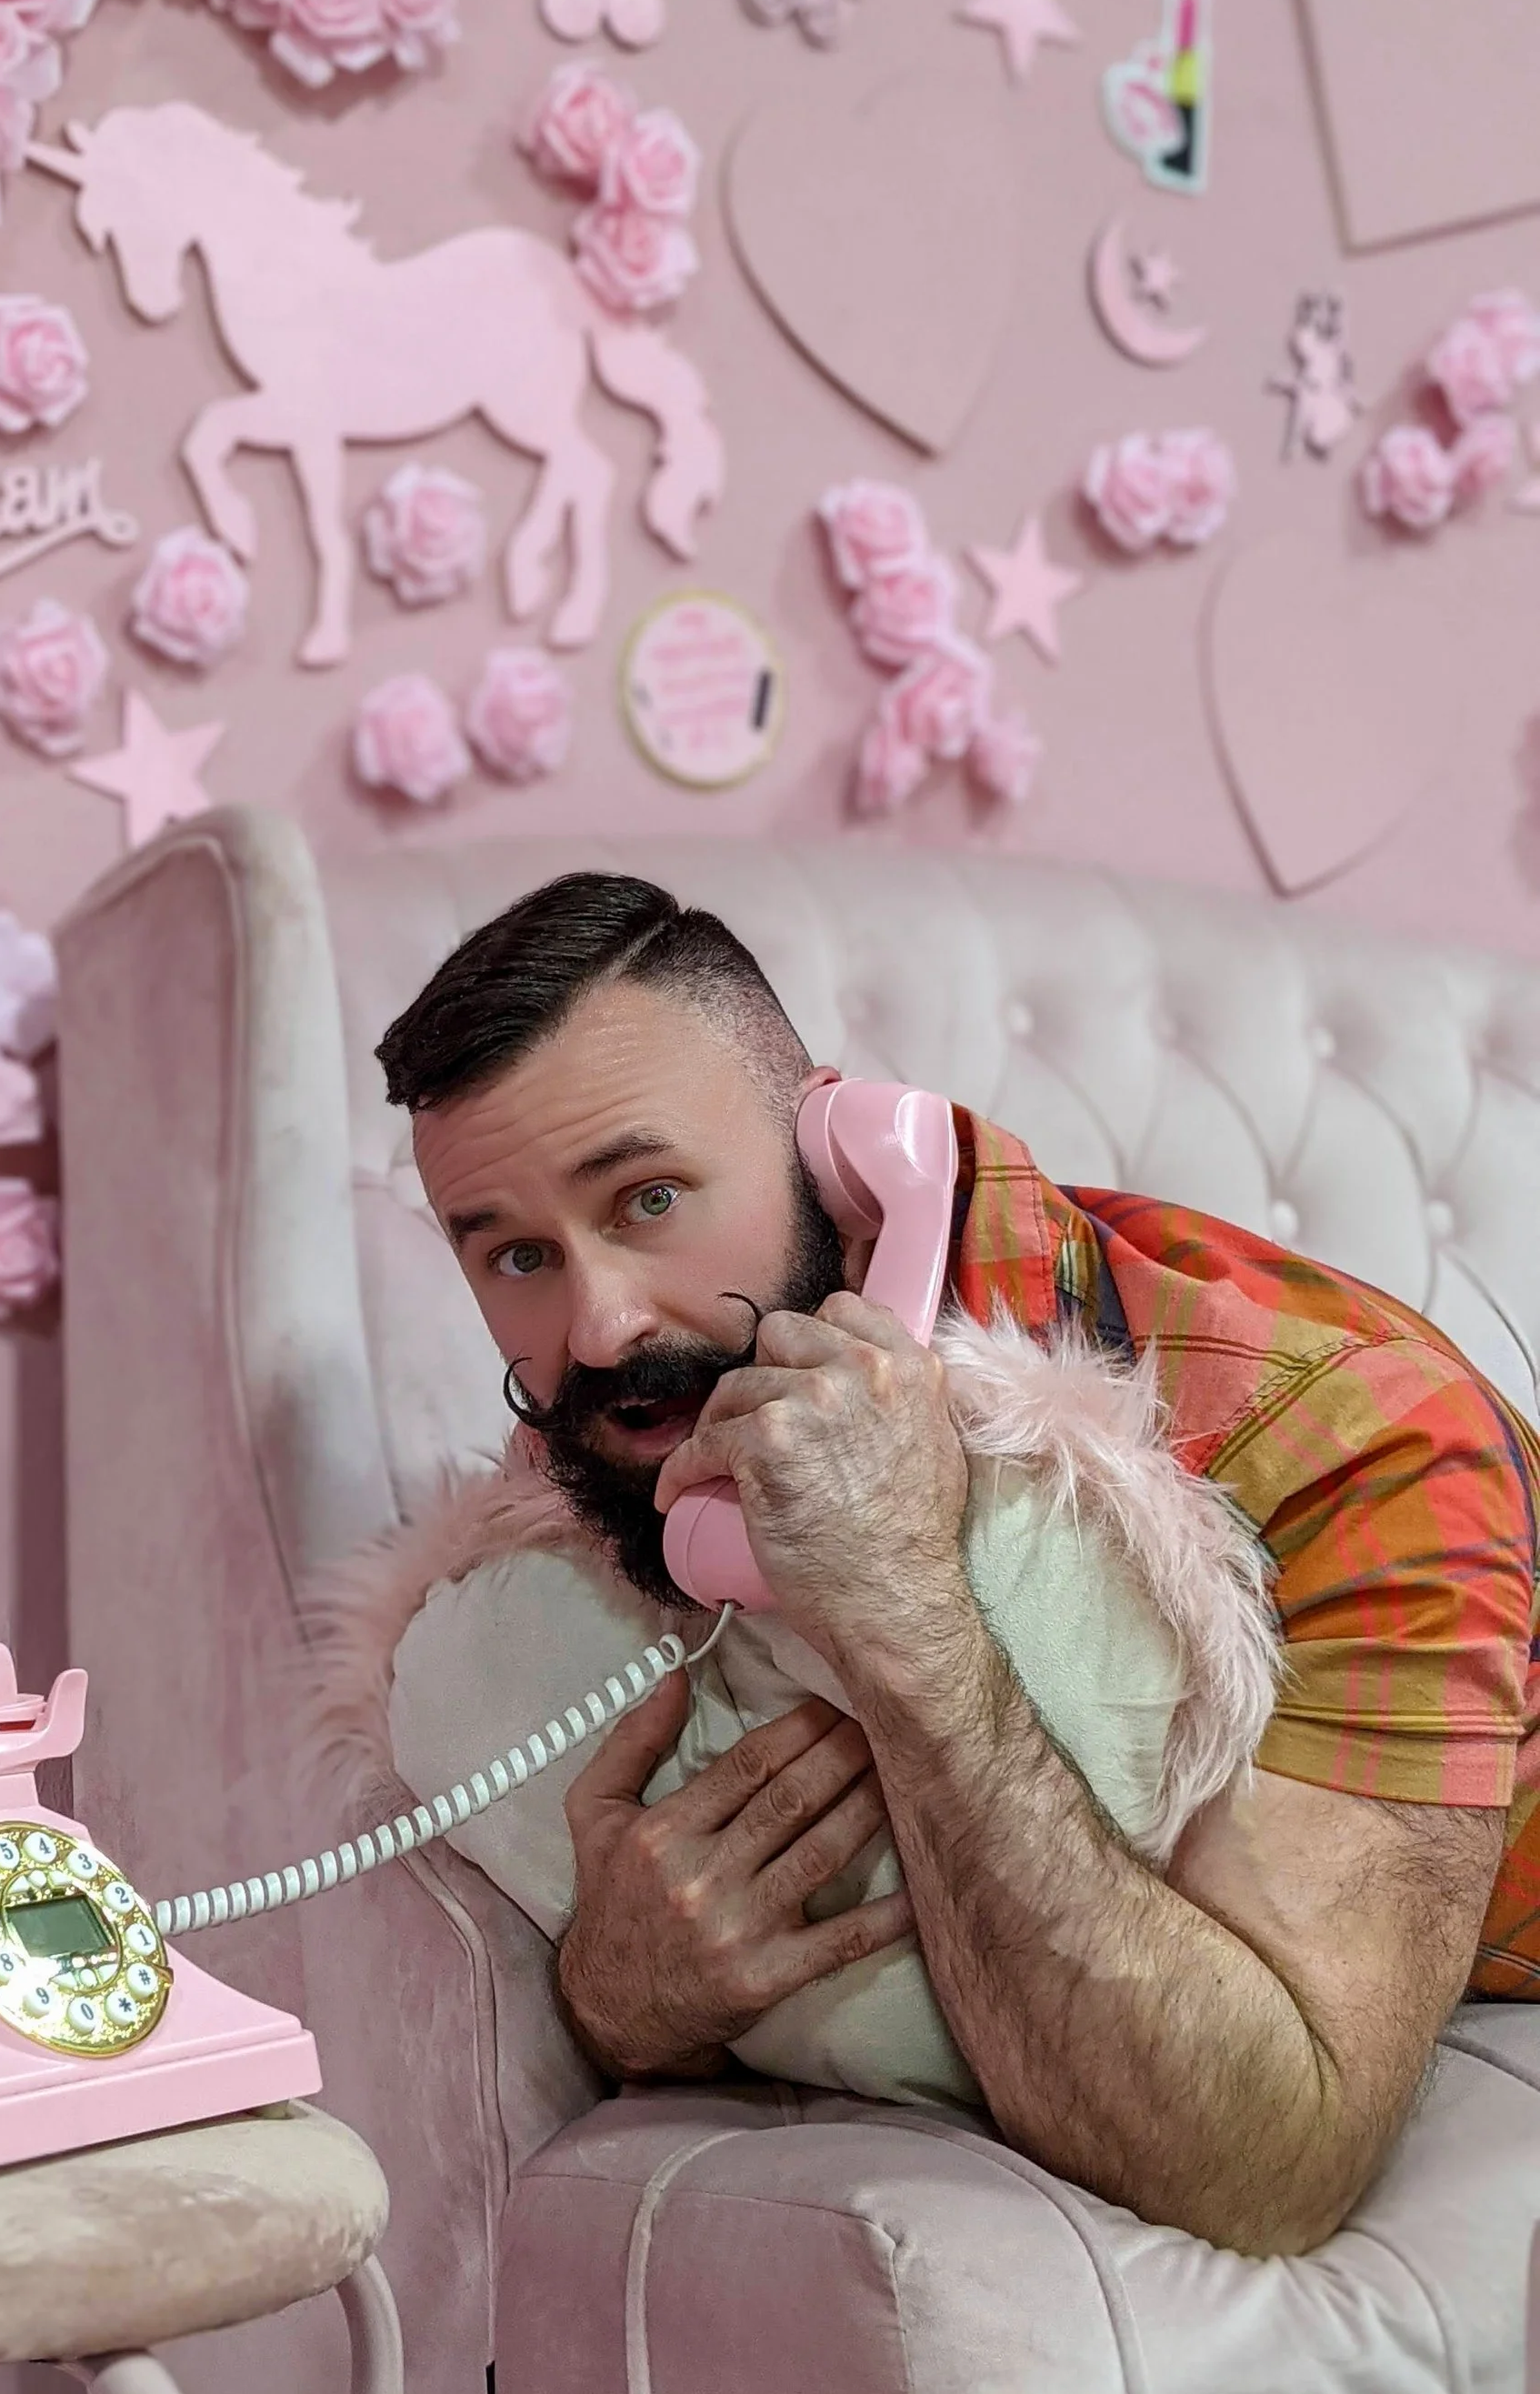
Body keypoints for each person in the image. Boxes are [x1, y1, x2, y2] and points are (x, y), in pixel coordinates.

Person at [366, 870, 1540, 2259]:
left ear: (839, 1158)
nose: (602, 1327)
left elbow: (1267, 2173)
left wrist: (907, 1614)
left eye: (651, 1198)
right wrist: (621, 1999)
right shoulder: (649, 1414)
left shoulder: (1360, 1430)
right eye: (516, 1257)